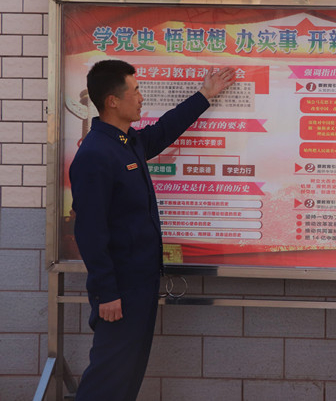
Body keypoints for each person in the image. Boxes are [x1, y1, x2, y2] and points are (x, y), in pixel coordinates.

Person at [71, 59, 234, 401]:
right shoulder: (96, 154)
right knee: (107, 378)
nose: (141, 97)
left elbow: (162, 131)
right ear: (113, 101)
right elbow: (89, 231)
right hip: (120, 289)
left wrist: (204, 95)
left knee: (127, 377)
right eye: (135, 90)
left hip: (140, 284)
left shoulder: (125, 142)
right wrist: (106, 293)